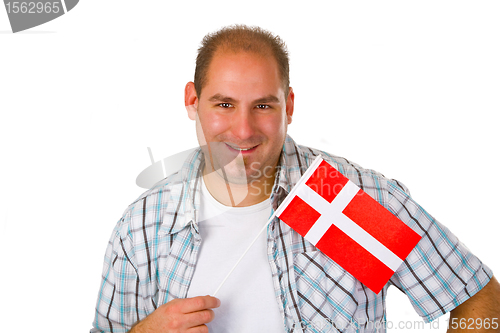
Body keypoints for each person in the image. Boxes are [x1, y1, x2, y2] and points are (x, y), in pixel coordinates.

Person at [91, 25, 500, 333]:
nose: (243, 130)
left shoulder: (339, 199)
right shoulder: (146, 227)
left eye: (263, 105)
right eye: (225, 104)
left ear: (288, 105)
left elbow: (476, 296)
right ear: (192, 102)